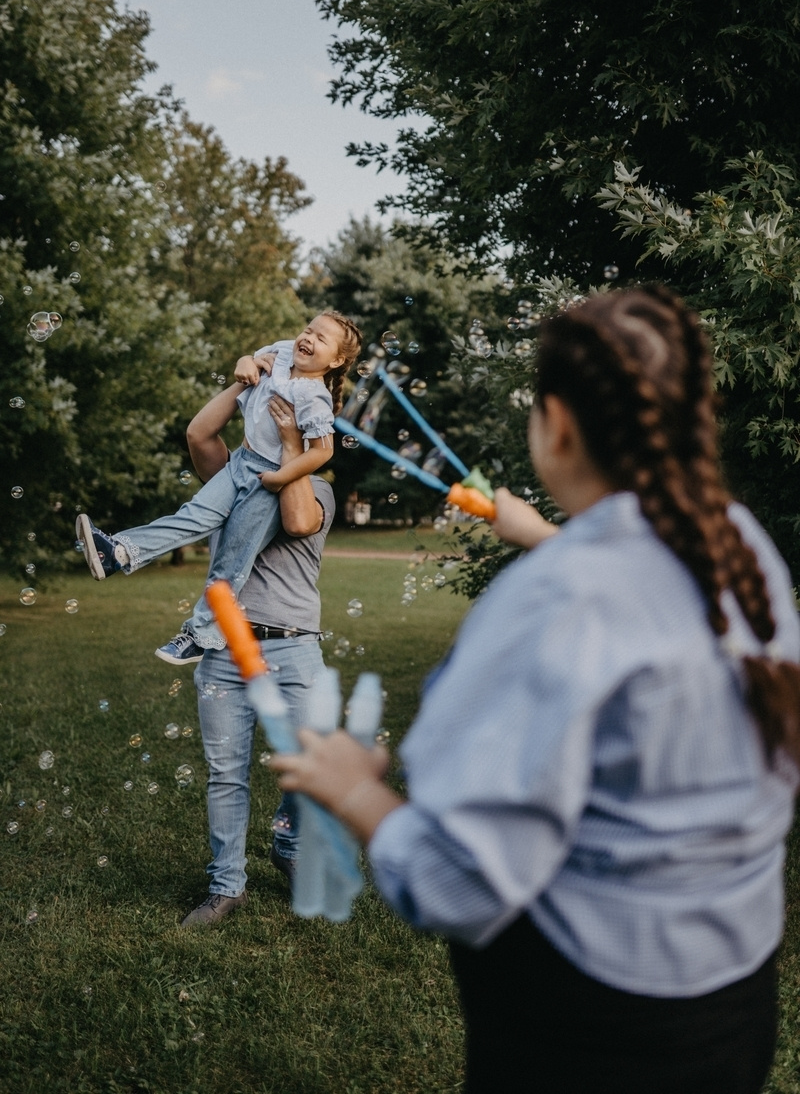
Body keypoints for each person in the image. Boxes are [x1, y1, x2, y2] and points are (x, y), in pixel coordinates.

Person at [272, 284, 800, 1094]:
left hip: (592, 1024)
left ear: (556, 424)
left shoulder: (559, 600)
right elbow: (640, 605)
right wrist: (552, 538)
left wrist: (355, 794)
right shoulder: (734, 543)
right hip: (732, 994)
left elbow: (460, 884)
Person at [74, 310, 361, 664]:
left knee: (231, 558)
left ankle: (200, 634)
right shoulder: (284, 352)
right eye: (308, 329)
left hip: (267, 478)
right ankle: (118, 552)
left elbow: (323, 451)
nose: (308, 338)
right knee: (191, 515)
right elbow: (251, 361)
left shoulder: (314, 399)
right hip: (240, 461)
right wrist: (247, 363)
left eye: (321, 338)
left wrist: (281, 477)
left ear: (336, 359)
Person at [178, 379, 336, 927]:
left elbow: (295, 520)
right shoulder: (233, 480)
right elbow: (199, 432)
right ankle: (227, 886)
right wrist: (242, 382)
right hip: (226, 648)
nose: (278, 412)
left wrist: (294, 443)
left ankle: (288, 848)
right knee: (226, 774)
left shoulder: (319, 490)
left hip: (294, 649)